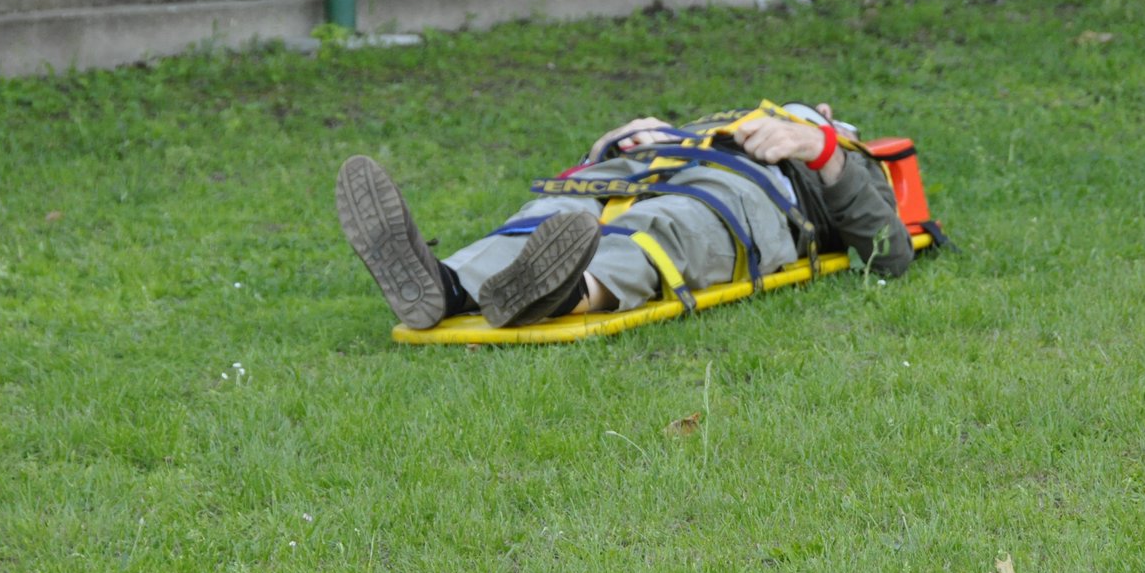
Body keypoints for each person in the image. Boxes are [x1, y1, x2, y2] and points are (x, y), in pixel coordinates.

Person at [335, 100, 913, 329]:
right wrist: (613, 142)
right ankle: (446, 285)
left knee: (670, 228)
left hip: (742, 193)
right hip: (650, 166)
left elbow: (891, 253)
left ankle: (568, 291)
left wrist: (822, 148)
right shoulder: (713, 120)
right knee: (559, 206)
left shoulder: (836, 153)